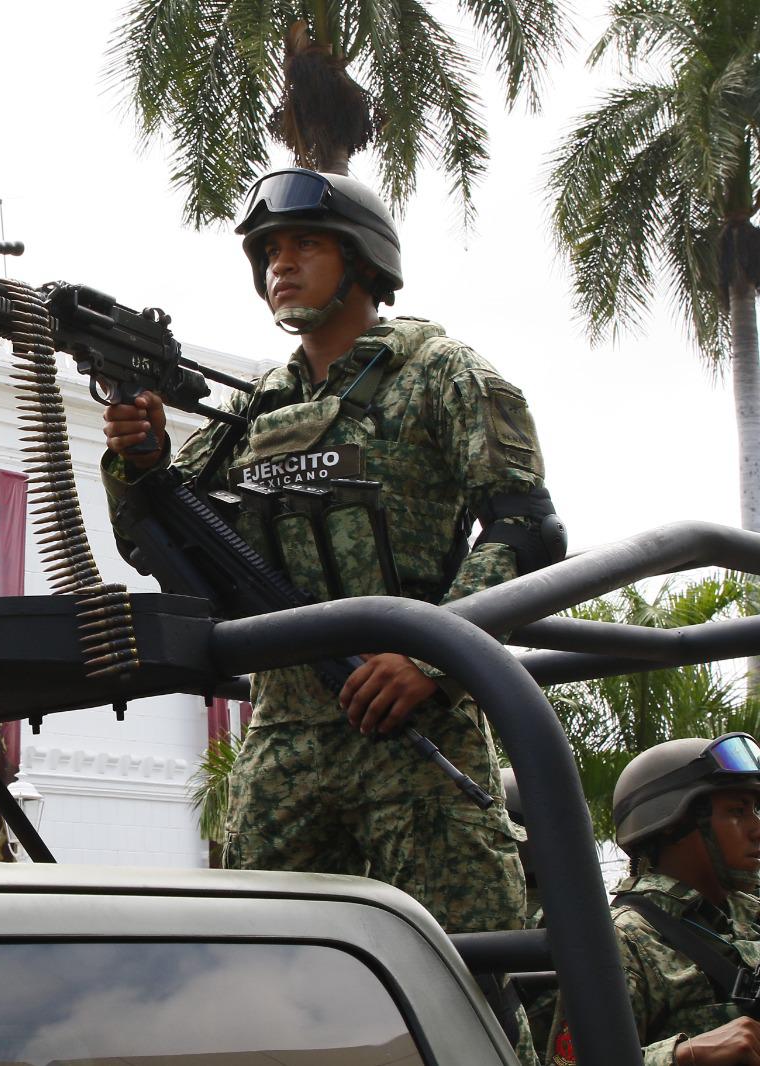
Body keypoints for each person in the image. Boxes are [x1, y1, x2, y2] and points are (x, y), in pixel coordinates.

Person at [101, 167, 563, 938]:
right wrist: (142, 463)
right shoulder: (257, 407)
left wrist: (432, 656)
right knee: (259, 958)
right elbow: (155, 542)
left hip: (412, 719)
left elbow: (527, 530)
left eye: (305, 245)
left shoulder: (441, 373)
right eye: (269, 252)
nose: (280, 265)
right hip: (285, 730)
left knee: (466, 960)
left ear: (362, 258)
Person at [543, 734, 760, 1066]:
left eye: (755, 810)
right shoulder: (622, 938)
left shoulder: (749, 917)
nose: (756, 828)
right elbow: (567, 1063)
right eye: (737, 811)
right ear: (674, 823)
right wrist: (683, 1055)